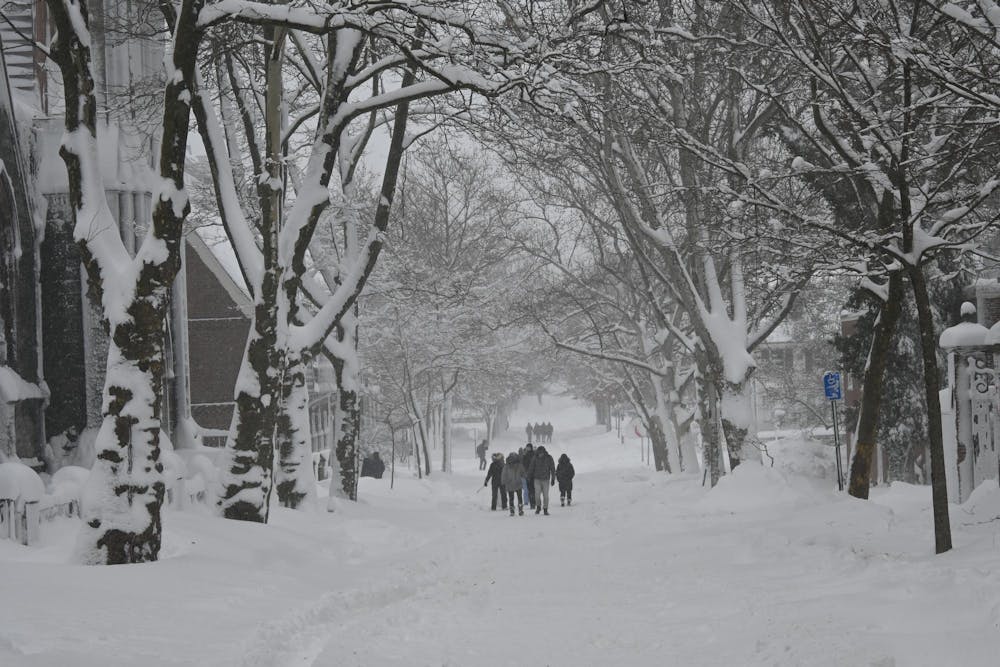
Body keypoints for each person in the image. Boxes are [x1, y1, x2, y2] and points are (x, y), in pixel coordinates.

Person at [527, 445, 556, 515]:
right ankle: (538, 506)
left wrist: (553, 478)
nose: (540, 455)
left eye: (541, 453)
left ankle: (545, 509)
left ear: (544, 452)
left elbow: (552, 468)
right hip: (537, 479)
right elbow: (531, 467)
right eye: (539, 453)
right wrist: (528, 476)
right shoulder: (535, 458)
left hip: (546, 480)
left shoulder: (549, 458)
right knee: (537, 495)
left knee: (546, 496)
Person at [502, 452, 525, 516]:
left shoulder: (507, 465)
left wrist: (504, 481)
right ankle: (520, 510)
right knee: (518, 497)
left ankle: (512, 511)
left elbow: (504, 474)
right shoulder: (519, 465)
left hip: (511, 483)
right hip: (516, 483)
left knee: (511, 498)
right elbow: (523, 473)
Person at [521, 443, 536, 509]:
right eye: (527, 447)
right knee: (526, 489)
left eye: (529, 447)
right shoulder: (524, 455)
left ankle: (532, 501)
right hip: (525, 474)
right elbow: (522, 464)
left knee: (532, 489)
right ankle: (527, 501)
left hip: (532, 474)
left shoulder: (534, 455)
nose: (528, 448)